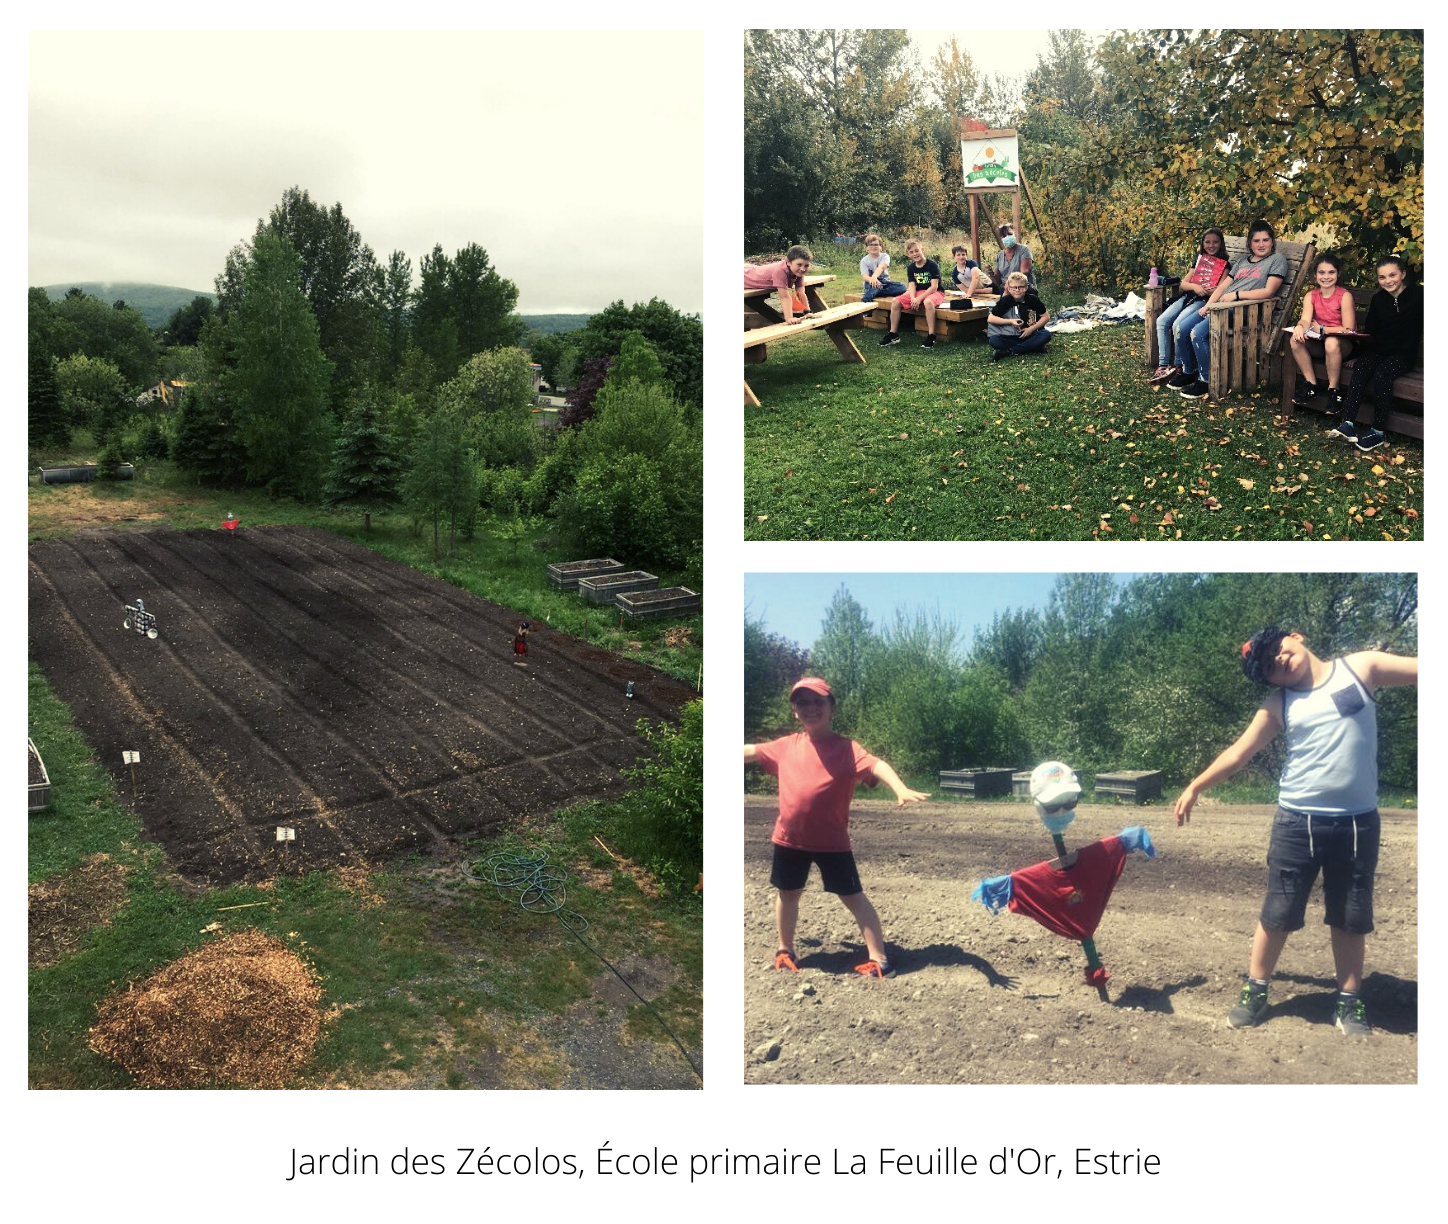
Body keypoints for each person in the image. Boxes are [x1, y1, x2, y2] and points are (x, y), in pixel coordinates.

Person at [1173, 627, 1417, 1038]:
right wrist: (1195, 785)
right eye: (1270, 667)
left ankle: (1349, 999)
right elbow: (1238, 752)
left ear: (1296, 637)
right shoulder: (1280, 702)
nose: (1279, 662)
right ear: (1271, 681)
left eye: (1278, 650)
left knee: (1352, 915)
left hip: (1358, 823)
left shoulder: (1363, 667)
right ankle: (1256, 989)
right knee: (1279, 912)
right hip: (1297, 822)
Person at [744, 676, 929, 978]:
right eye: (802, 702)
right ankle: (784, 949)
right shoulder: (786, 746)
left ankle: (879, 958)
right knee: (788, 894)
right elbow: (750, 750)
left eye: (818, 701)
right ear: (795, 711)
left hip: (832, 843)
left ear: (832, 708)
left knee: (853, 897)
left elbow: (876, 765)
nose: (810, 708)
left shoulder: (846, 749)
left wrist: (900, 787)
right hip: (789, 840)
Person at [1176, 220, 1288, 400]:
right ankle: (1189, 372)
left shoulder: (1276, 260)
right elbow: (1222, 287)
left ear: (1272, 242)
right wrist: (1208, 305)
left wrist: (1236, 295)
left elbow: (1269, 291)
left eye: (1265, 240)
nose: (1261, 244)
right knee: (1183, 328)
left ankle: (1205, 381)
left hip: (1243, 309)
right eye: (1256, 241)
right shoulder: (1242, 261)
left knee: (1198, 333)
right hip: (1222, 304)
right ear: (1250, 243)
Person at [1326, 255, 1423, 454]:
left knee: (1382, 374)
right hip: (1379, 350)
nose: (1388, 281)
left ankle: (1378, 431)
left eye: (1392, 275)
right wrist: (1358, 355)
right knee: (1362, 367)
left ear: (1403, 274)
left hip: (1403, 355)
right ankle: (1348, 423)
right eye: (1382, 277)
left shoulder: (1419, 295)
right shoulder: (1378, 299)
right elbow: (1370, 332)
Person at [1151, 227, 1228, 385]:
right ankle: (1164, 364)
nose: (1211, 245)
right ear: (1202, 243)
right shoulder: (1200, 260)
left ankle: (1179, 366)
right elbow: (1183, 284)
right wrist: (1195, 287)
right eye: (1207, 242)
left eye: (1215, 242)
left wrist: (1204, 290)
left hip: (1203, 301)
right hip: (1188, 296)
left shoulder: (1225, 265)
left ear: (1221, 244)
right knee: (1161, 321)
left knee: (1177, 325)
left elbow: (1220, 289)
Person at [1289, 252, 1357, 411]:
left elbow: (1348, 328)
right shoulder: (1311, 296)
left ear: (1338, 273)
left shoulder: (1344, 296)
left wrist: (1323, 329)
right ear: (1315, 275)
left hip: (1343, 346)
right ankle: (1312, 385)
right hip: (1321, 343)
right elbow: (1306, 319)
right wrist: (1300, 326)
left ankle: (1334, 391)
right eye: (1321, 272)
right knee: (1295, 339)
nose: (1326, 276)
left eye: (1331, 272)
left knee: (1331, 341)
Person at [880, 240, 945, 349]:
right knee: (896, 302)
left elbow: (934, 287)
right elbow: (912, 285)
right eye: (911, 252)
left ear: (922, 250)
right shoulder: (911, 268)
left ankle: (931, 335)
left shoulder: (932, 265)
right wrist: (913, 298)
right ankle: (893, 334)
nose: (915, 254)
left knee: (928, 302)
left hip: (935, 292)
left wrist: (919, 298)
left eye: (917, 250)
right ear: (908, 254)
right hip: (918, 292)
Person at [986, 271, 1051, 360]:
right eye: (1014, 288)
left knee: (1046, 334)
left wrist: (1030, 329)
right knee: (994, 340)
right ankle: (1034, 347)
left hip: (1030, 334)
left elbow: (1046, 316)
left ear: (1026, 287)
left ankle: (1009, 352)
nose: (1017, 290)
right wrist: (1010, 321)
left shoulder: (1032, 299)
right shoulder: (1005, 301)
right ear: (1008, 288)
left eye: (1021, 287)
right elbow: (991, 318)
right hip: (1011, 335)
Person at [744, 245, 812, 325]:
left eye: (806, 265)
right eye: (799, 265)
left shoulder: (798, 272)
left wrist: (807, 312)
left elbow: (801, 293)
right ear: (789, 262)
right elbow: (785, 297)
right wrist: (789, 318)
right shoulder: (780, 271)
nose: (803, 269)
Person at [859, 233, 906, 303]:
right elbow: (865, 276)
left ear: (881, 247)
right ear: (866, 248)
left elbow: (881, 267)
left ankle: (876, 292)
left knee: (902, 286)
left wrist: (874, 276)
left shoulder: (885, 256)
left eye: (876, 245)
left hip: (885, 283)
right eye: (870, 245)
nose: (873, 247)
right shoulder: (864, 260)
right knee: (875, 287)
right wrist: (872, 280)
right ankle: (864, 303)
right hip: (870, 283)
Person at [993, 223, 1036, 292]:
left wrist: (1009, 285)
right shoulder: (999, 256)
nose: (1007, 237)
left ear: (1014, 234)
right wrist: (991, 275)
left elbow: (1024, 272)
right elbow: (998, 278)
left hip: (1022, 288)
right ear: (1001, 239)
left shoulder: (1024, 250)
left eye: (1009, 234)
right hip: (1004, 289)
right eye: (1004, 236)